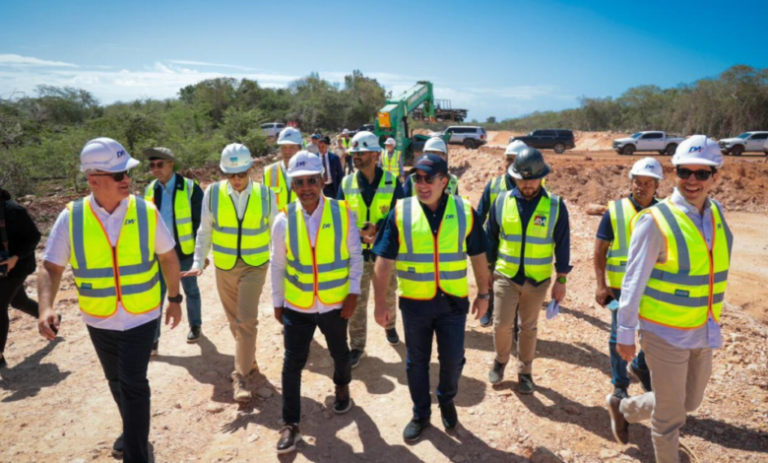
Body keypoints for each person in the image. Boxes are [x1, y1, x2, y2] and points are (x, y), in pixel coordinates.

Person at [37, 137, 182, 462]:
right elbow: (51, 267)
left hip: (142, 315)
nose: (127, 180)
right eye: (119, 175)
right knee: (116, 380)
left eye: (127, 173)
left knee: (133, 382)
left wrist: (175, 298)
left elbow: (169, 258)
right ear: (94, 180)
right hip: (98, 318)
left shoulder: (145, 211)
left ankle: (136, 453)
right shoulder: (71, 218)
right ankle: (133, 431)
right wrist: (45, 307)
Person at [606, 136, 732, 463]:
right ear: (675, 173)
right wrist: (625, 334)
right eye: (684, 171)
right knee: (670, 419)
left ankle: (625, 408)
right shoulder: (655, 220)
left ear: (716, 176)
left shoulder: (716, 212)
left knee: (689, 403)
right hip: (663, 333)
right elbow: (632, 282)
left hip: (702, 328)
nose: (692, 180)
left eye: (701, 173)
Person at [372, 153, 490, 442]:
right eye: (417, 179)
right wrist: (380, 302)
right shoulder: (401, 211)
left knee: (452, 361)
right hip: (415, 304)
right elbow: (384, 259)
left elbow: (478, 256)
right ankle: (421, 414)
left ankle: (447, 400)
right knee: (416, 362)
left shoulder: (464, 211)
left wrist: (484, 293)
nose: (422, 185)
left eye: (429, 179)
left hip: (452, 303)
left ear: (444, 181)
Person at [271, 150, 363, 454]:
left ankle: (341, 385)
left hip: (335, 304)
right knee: (291, 364)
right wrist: (277, 301)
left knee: (340, 354)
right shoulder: (283, 220)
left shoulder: (343, 212)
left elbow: (355, 256)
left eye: (312, 180)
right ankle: (291, 424)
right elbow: (278, 265)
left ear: (322, 180)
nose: (306, 187)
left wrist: (353, 293)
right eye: (300, 182)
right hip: (298, 306)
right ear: (292, 185)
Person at [181, 143, 277, 402]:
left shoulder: (267, 195)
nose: (236, 180)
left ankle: (241, 377)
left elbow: (275, 233)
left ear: (250, 170)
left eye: (241, 174)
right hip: (224, 267)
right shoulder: (211, 194)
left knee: (246, 321)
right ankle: (249, 359)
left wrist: (281, 263)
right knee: (236, 323)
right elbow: (205, 230)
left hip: (255, 266)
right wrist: (198, 262)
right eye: (230, 175)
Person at [485, 148, 572, 394]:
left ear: (542, 177)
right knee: (501, 325)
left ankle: (525, 371)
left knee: (528, 327)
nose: (528, 184)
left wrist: (561, 279)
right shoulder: (502, 201)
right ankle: (501, 360)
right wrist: (487, 274)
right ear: (514, 177)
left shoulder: (555, 206)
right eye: (523, 179)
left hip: (538, 279)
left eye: (533, 179)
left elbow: (563, 244)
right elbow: (490, 239)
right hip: (506, 275)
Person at [594, 157, 662, 398]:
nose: (641, 187)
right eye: (637, 182)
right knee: (618, 335)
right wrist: (601, 285)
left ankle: (641, 364)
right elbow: (600, 250)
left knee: (653, 335)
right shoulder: (615, 210)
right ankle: (620, 385)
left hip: (654, 287)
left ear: (657, 187)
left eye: (647, 183)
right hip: (619, 287)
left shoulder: (665, 212)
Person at [337, 131, 405, 368]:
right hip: (355, 254)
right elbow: (338, 218)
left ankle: (390, 326)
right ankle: (357, 346)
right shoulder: (346, 184)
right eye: (354, 152)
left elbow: (401, 214)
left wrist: (380, 227)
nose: (356, 156)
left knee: (387, 294)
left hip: (383, 255)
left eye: (361, 152)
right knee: (356, 300)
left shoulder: (392, 182)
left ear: (375, 154)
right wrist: (355, 232)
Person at [144, 147, 205, 350]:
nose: (155, 169)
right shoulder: (150, 190)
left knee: (191, 290)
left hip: (185, 252)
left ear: (171, 164)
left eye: (160, 164)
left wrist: (201, 253)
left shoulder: (189, 188)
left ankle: (195, 325)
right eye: (152, 165)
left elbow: (201, 223)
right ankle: (153, 339)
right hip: (159, 254)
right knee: (157, 294)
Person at [476, 140, 528, 327]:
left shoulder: (535, 185)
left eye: (516, 160)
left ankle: (513, 320)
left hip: (516, 247)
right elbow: (480, 213)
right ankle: (488, 308)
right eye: (509, 159)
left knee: (514, 284)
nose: (511, 164)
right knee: (488, 279)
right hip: (492, 243)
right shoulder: (494, 185)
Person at [0, 185, 42, 369]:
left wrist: (15, 258)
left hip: (18, 266)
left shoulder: (13, 210)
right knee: (19, 302)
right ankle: (50, 317)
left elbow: (34, 236)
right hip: (2, 268)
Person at [265, 127, 302, 210]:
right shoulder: (268, 172)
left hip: (301, 222)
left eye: (292, 147)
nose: (287, 151)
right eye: (284, 147)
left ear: (300, 148)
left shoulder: (309, 173)